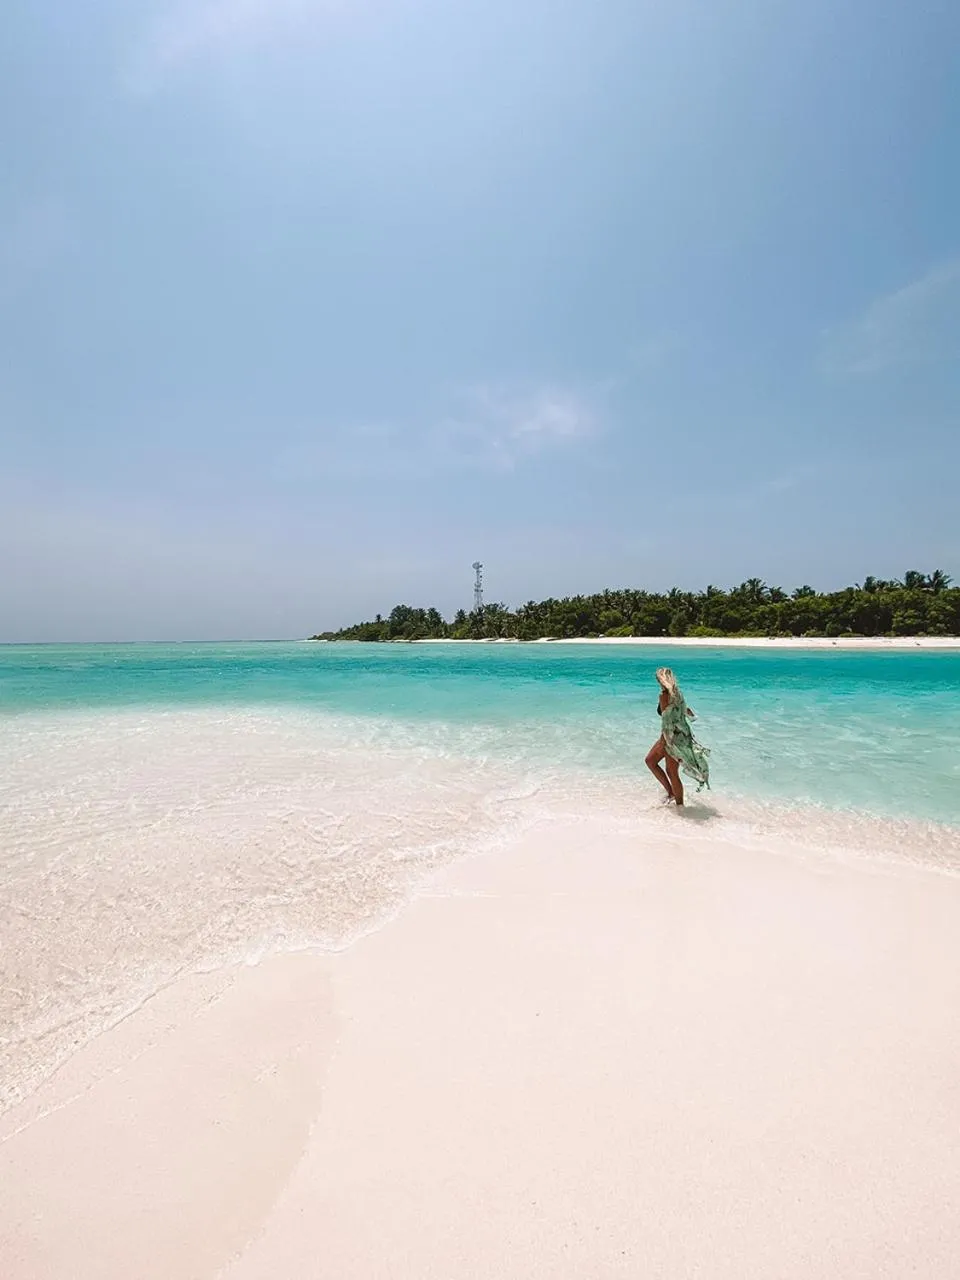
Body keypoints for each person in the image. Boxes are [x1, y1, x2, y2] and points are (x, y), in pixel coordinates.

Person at [644, 666, 710, 806]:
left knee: (664, 768)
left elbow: (666, 721)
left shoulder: (664, 696)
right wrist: (692, 717)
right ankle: (673, 795)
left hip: (671, 738)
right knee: (656, 763)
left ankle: (679, 805)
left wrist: (665, 742)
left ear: (660, 680)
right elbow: (685, 710)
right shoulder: (678, 693)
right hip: (681, 735)